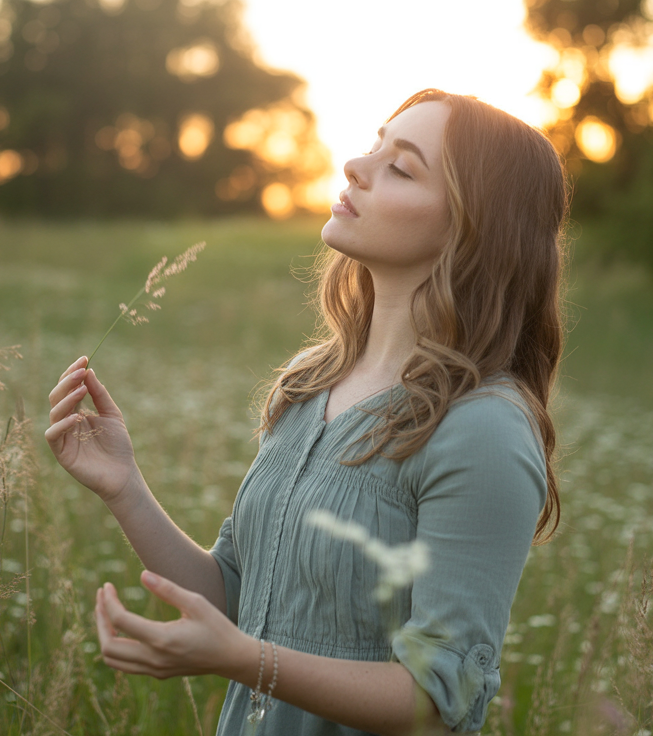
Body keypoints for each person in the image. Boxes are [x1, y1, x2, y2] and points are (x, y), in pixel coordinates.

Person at [45, 88, 568, 735]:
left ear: (472, 228)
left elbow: (439, 700)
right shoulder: (308, 384)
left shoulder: (482, 428)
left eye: (401, 168)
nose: (355, 167)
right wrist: (124, 487)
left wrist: (247, 661)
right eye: (374, 146)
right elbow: (236, 598)